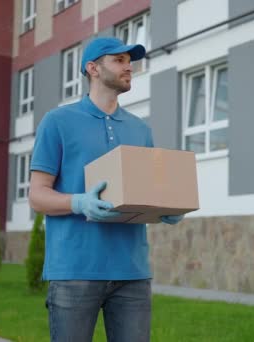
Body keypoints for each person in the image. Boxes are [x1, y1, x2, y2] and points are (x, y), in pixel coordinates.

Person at [28, 37, 184, 342]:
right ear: (93, 68)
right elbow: (37, 194)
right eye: (120, 60)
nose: (129, 67)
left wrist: (165, 208)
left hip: (132, 273)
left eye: (130, 61)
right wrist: (79, 202)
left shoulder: (141, 129)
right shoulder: (58, 121)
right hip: (74, 271)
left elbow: (145, 193)